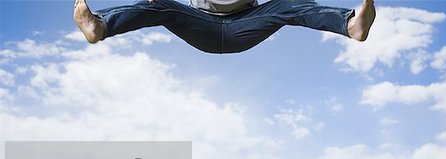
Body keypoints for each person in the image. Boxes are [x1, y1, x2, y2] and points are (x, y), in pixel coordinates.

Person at [74, 0, 375, 54]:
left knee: (290, 3)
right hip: (199, 25)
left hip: (247, 23)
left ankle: (351, 25)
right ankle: (99, 27)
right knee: (158, 6)